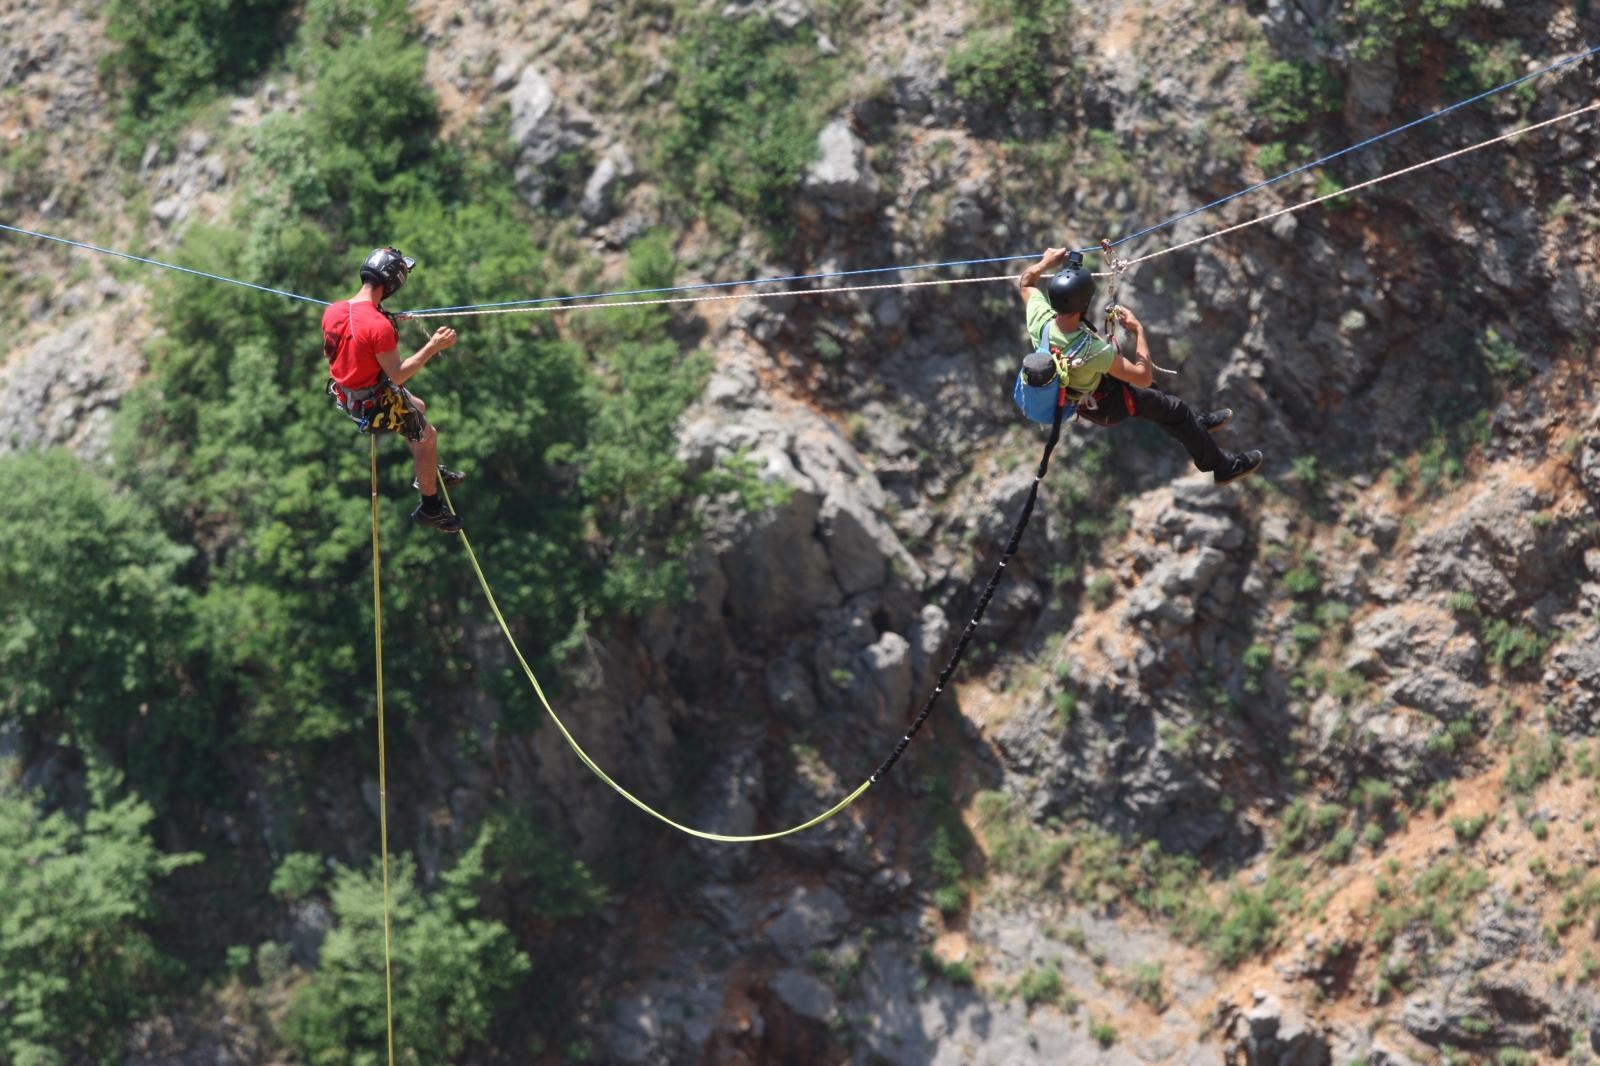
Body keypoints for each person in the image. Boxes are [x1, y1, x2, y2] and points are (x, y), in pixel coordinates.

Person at [1016, 246, 1263, 484]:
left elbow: (1026, 283)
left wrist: (1045, 263)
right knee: (1175, 410)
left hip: (1090, 391)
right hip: (1109, 403)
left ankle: (1195, 425)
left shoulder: (1041, 321)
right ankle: (1223, 468)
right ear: (1084, 305)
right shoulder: (1092, 350)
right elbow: (1142, 377)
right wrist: (1138, 331)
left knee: (1166, 407)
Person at [323, 246, 467, 532]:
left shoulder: (334, 310)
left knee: (419, 407)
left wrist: (383, 318)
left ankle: (426, 470)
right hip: (374, 402)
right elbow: (399, 375)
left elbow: (352, 342)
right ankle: (430, 507)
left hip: (349, 395)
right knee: (427, 436)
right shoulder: (379, 326)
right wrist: (433, 346)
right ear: (394, 282)